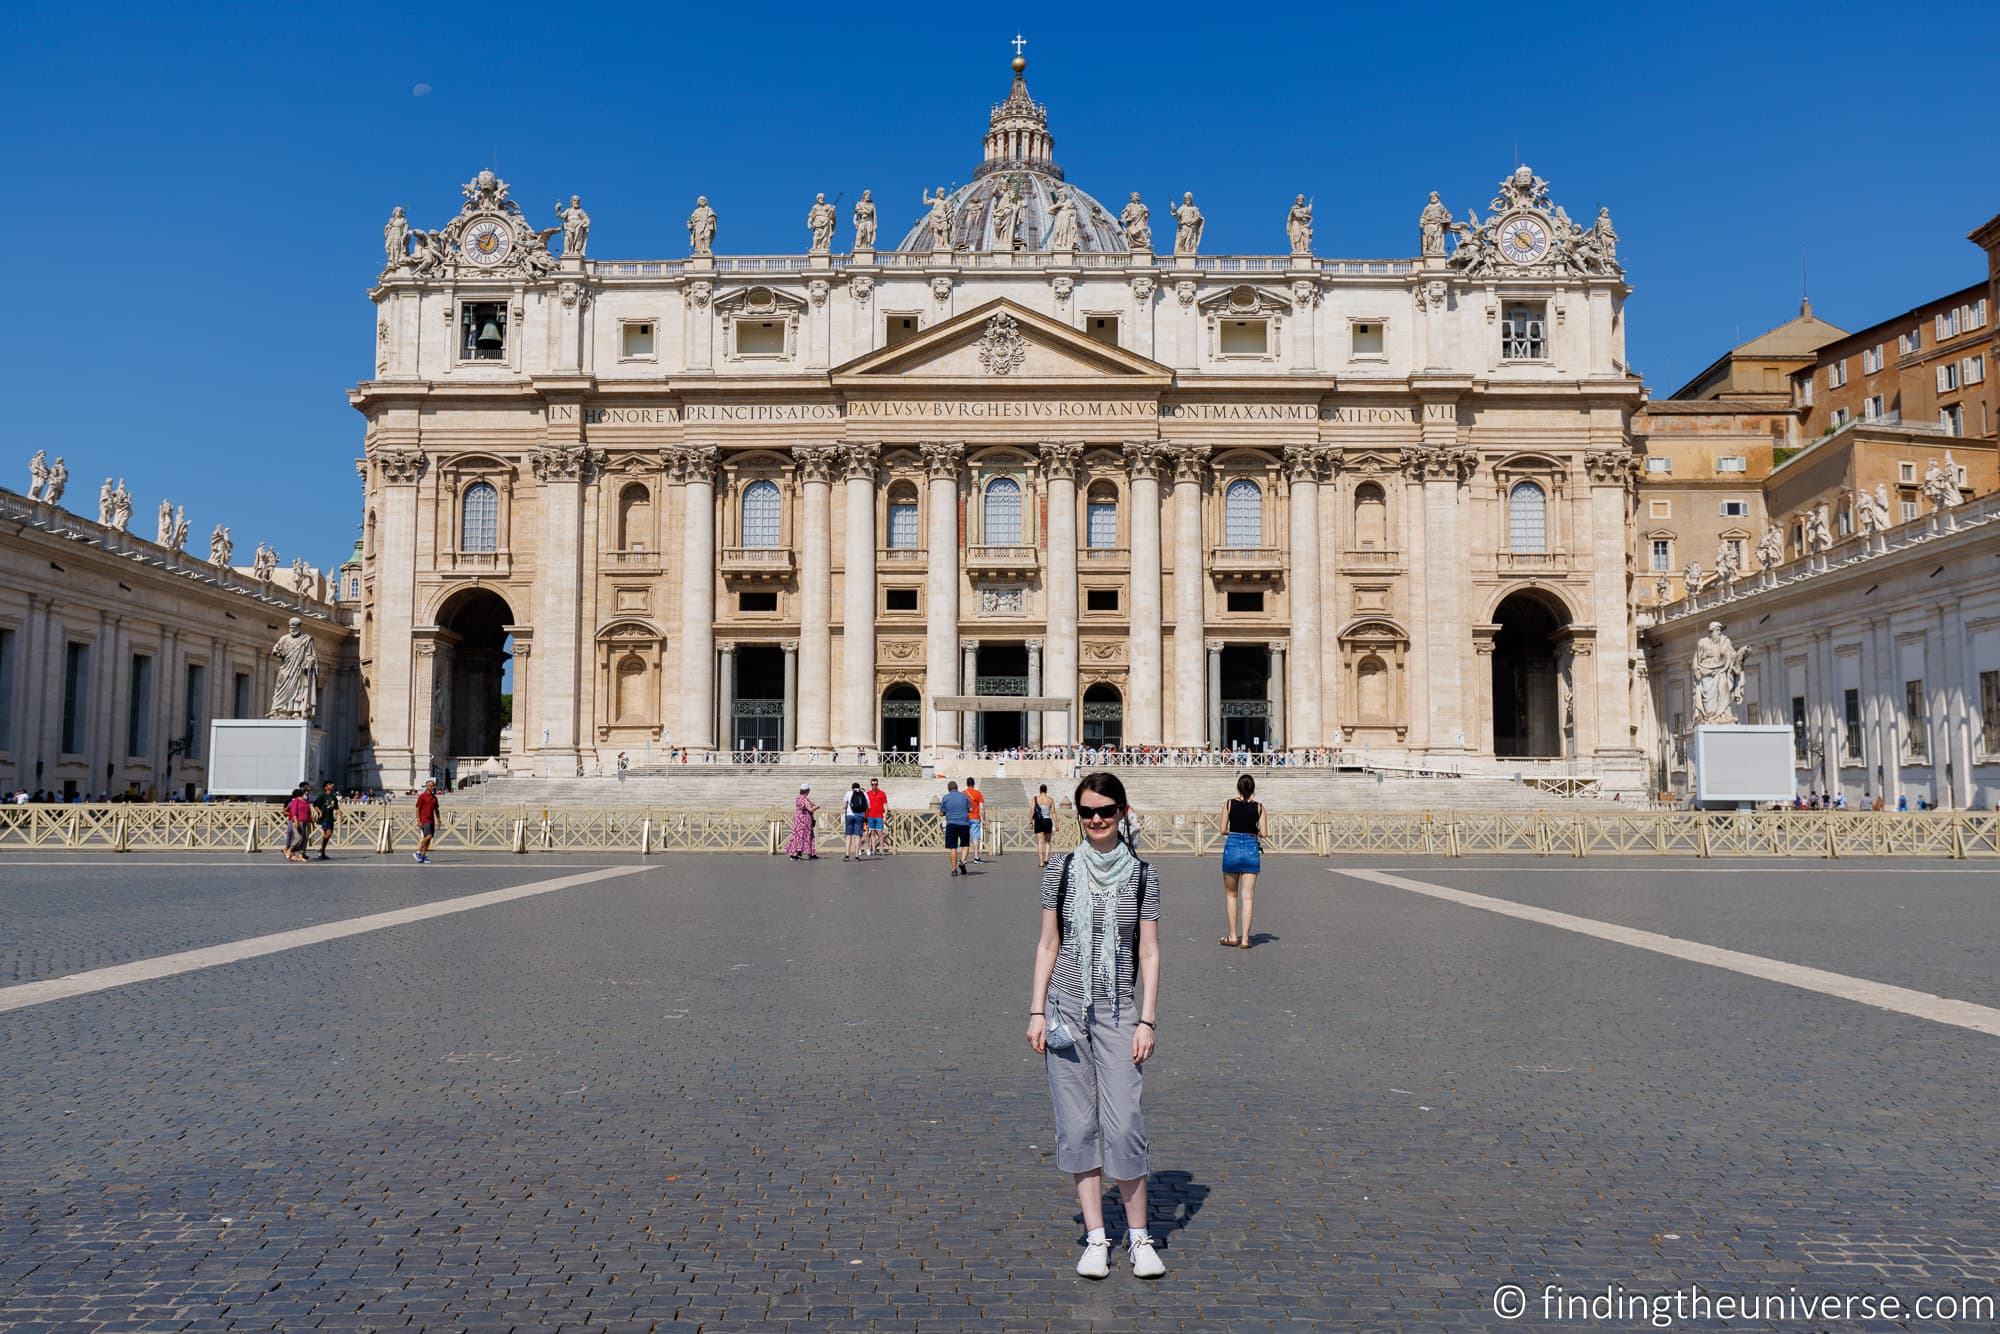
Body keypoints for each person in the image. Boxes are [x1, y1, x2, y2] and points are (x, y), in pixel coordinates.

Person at [1026, 772, 1164, 1280]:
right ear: (1077, 817)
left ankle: (1140, 1236)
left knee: (1125, 1122)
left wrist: (1147, 1019)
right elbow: (1047, 944)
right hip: (1065, 1008)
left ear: (1123, 811)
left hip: (1118, 1008)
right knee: (1078, 1123)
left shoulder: (1144, 875)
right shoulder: (1059, 870)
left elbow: (1147, 951)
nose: (1098, 819)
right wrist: (1036, 1009)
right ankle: (1096, 1236)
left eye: (1106, 810)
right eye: (1088, 812)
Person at [1218, 773, 1267, 949]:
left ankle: (1232, 936)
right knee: (1248, 898)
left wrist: (1236, 830)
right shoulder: (1260, 807)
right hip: (1251, 849)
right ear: (1253, 789)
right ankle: (1245, 939)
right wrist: (1253, 830)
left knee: (1231, 894)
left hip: (1232, 848)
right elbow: (1264, 833)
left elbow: (1222, 829)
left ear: (1238, 788)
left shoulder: (1229, 804)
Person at [939, 780, 973, 876]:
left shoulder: (945, 798)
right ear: (957, 788)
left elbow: (941, 812)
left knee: (953, 847)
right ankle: (962, 861)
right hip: (964, 823)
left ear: (949, 789)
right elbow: (970, 809)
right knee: (965, 844)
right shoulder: (964, 796)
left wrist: (946, 812)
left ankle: (954, 870)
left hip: (951, 824)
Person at [786, 784, 820, 860]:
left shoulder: (798, 798)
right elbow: (810, 809)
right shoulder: (805, 799)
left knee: (798, 836)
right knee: (808, 836)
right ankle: (809, 853)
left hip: (798, 820)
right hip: (805, 820)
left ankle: (796, 853)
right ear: (807, 791)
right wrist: (816, 807)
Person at [312, 780, 341, 860]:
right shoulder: (322, 795)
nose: (332, 785)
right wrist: (319, 811)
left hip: (330, 818)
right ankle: (321, 850)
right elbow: (315, 804)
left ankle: (322, 852)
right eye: (330, 784)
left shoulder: (334, 797)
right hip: (324, 818)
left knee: (329, 835)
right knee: (328, 834)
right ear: (325, 787)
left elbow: (336, 807)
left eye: (332, 784)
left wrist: (340, 814)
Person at [284, 786, 313, 863]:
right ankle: (290, 850)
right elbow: (293, 812)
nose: (307, 793)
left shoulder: (306, 802)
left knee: (305, 838)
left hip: (306, 821)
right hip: (298, 821)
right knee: (299, 837)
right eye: (306, 792)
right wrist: (295, 821)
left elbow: (309, 813)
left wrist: (312, 823)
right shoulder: (295, 801)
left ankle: (301, 854)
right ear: (302, 793)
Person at [413, 778, 439, 864]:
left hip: (431, 820)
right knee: (428, 836)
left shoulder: (434, 798)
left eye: (432, 786)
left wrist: (438, 820)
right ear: (426, 787)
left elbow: (436, 810)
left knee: (428, 839)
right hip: (424, 819)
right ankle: (418, 851)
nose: (431, 787)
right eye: (429, 786)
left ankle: (423, 857)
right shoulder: (422, 796)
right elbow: (417, 808)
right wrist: (418, 820)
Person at [1032, 783, 1057, 868]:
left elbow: (1032, 811)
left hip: (1038, 821)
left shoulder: (1035, 799)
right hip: (1047, 821)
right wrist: (1056, 824)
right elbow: (1053, 812)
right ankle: (1046, 858)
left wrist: (1030, 822)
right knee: (1048, 841)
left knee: (1040, 842)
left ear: (1040, 790)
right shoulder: (1050, 799)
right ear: (1046, 790)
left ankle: (1041, 862)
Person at [842, 782, 868, 860]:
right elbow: (868, 806)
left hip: (850, 815)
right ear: (859, 788)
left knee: (848, 836)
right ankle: (857, 855)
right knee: (857, 836)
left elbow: (844, 806)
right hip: (860, 816)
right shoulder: (864, 793)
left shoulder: (848, 793)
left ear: (852, 787)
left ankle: (847, 855)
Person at [865, 778, 889, 858]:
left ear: (877, 784)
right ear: (871, 784)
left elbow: (885, 805)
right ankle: (874, 849)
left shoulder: (882, 793)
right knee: (872, 833)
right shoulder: (867, 793)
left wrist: (885, 815)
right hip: (870, 816)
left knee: (880, 833)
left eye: (875, 784)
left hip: (879, 816)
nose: (874, 786)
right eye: (872, 784)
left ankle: (881, 849)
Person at [965, 776, 986, 863]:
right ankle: (976, 857)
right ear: (974, 784)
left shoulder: (963, 793)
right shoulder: (978, 794)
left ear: (967, 784)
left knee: (965, 838)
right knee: (975, 838)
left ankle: (963, 858)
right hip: (975, 818)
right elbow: (981, 808)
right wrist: (983, 819)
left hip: (965, 818)